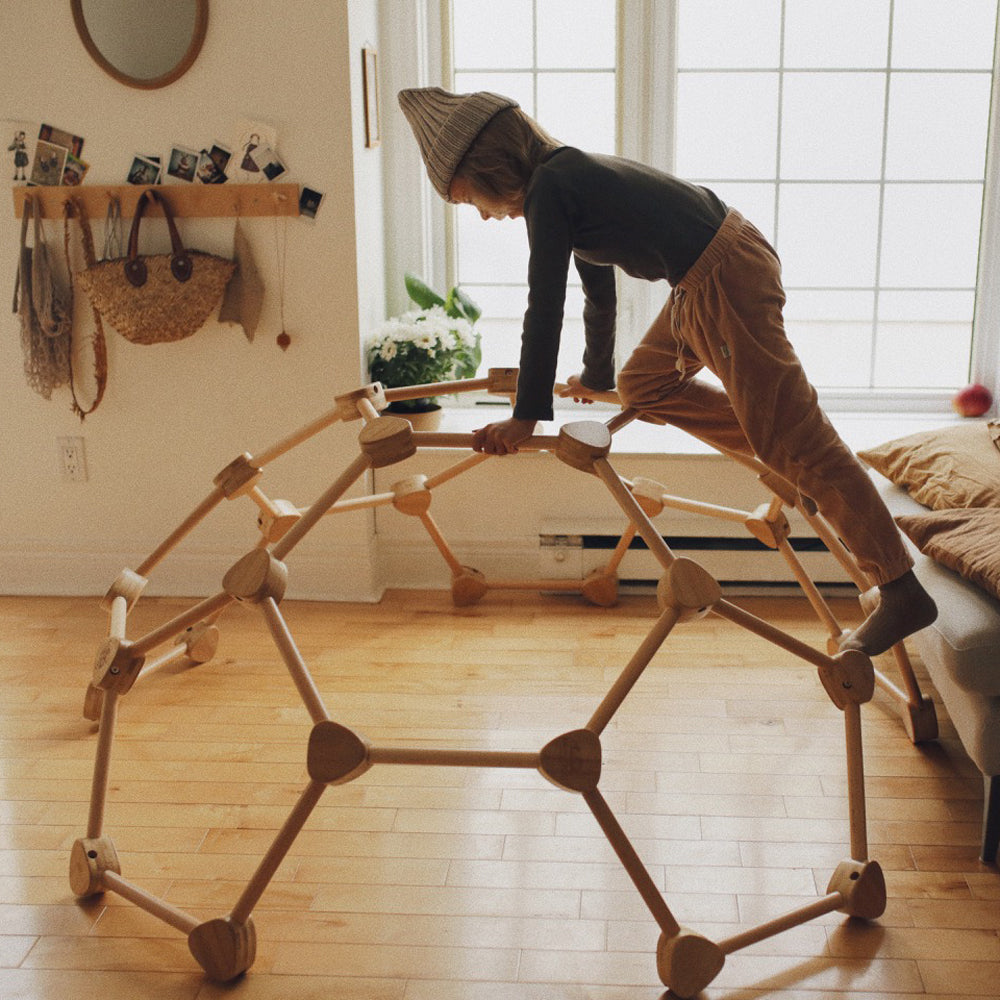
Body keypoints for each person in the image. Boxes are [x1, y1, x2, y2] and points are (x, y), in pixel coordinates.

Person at [397, 86, 937, 656]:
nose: (482, 215)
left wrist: (527, 417)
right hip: (700, 280)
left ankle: (900, 588)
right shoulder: (566, 176)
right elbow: (596, 289)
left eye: (469, 200)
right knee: (646, 386)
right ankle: (778, 448)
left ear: (486, 165)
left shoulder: (550, 188)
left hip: (722, 275)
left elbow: (545, 300)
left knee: (798, 438)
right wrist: (597, 374)